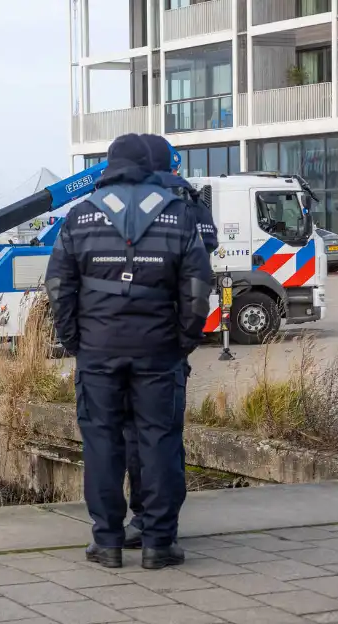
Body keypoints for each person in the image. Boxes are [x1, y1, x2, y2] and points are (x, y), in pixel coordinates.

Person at [44, 133, 212, 570]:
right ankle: (158, 543)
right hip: (159, 351)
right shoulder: (177, 214)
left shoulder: (80, 217)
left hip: (98, 351)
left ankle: (108, 542)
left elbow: (59, 286)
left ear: (110, 166)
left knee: (101, 442)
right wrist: (184, 339)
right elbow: (196, 287)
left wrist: (73, 340)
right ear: (148, 166)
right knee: (158, 440)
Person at [121, 157, 219, 550]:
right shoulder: (188, 199)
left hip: (123, 338)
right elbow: (202, 264)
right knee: (164, 437)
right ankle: (162, 526)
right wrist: (185, 339)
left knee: (130, 436)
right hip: (167, 342)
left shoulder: (119, 201)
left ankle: (139, 517)